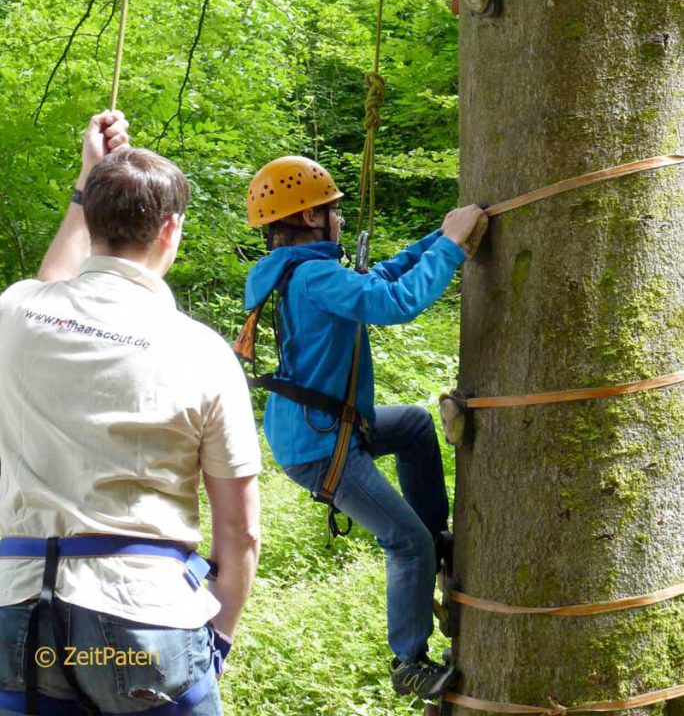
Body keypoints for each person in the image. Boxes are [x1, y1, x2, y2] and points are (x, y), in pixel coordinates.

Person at [0, 111, 261, 716]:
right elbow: (240, 529)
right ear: (171, 230)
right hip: (143, 620)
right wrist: (218, 636)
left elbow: (53, 287)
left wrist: (87, 180)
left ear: (90, 221)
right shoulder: (202, 351)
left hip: (19, 619)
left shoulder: (16, 313)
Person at [243, 155, 487, 701]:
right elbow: (395, 302)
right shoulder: (311, 276)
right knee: (405, 543)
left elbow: (375, 278)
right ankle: (409, 662)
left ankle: (435, 540)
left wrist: (437, 237)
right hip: (321, 446)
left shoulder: (297, 273)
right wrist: (449, 248)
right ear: (309, 219)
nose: (340, 218)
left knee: (416, 427)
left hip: (326, 427)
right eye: (332, 210)